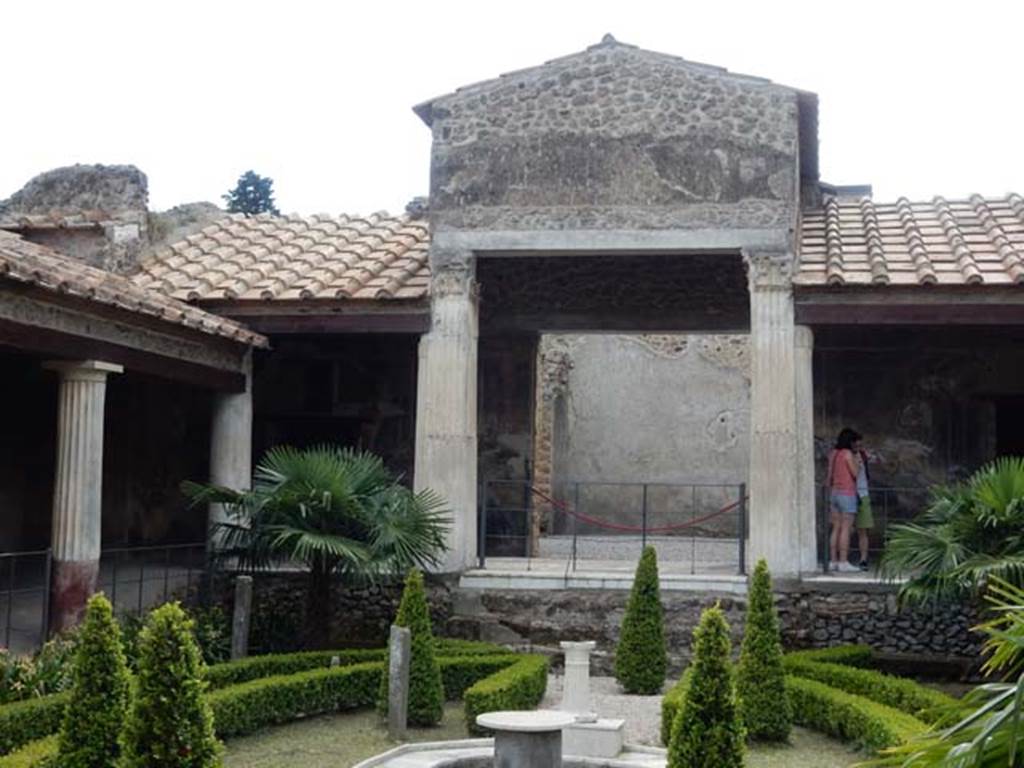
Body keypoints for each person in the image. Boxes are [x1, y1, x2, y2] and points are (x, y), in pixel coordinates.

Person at [826, 428, 862, 573]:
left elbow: (829, 475)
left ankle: (833, 560)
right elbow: (855, 474)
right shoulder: (847, 454)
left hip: (834, 492)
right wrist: (858, 462)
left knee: (836, 527)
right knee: (846, 528)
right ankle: (843, 561)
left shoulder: (833, 454)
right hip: (847, 493)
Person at [853, 436, 874, 571]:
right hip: (850, 494)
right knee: (845, 528)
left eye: (860, 446)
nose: (858, 448)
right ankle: (840, 559)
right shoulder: (848, 457)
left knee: (863, 530)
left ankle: (863, 559)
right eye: (856, 446)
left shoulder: (863, 457)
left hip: (862, 494)